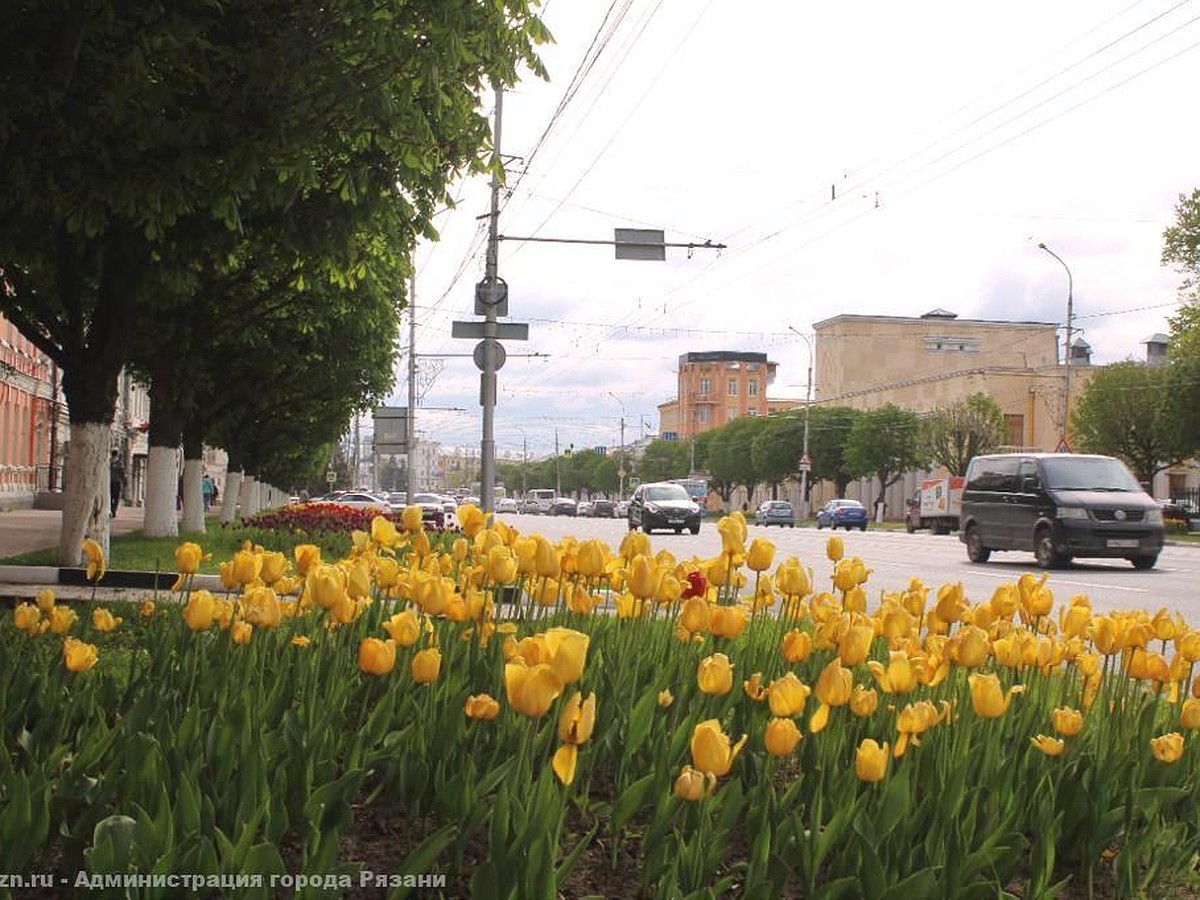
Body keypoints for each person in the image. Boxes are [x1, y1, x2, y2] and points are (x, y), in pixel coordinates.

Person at [109, 450, 126, 518]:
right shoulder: (119, 463)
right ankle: (114, 510)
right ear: (117, 455)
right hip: (117, 482)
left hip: (109, 482)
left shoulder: (108, 462)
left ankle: (111, 509)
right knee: (116, 498)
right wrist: (125, 481)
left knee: (110, 497)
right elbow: (122, 473)